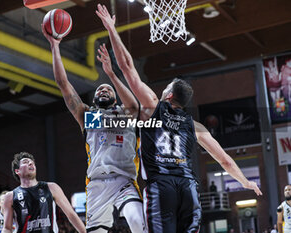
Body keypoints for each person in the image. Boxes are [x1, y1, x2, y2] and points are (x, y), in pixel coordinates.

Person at [96, 4, 263, 233]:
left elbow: (127, 67)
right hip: (188, 188)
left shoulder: (152, 107)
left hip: (161, 187)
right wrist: (245, 182)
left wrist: (111, 29)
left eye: (166, 87)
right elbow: (224, 160)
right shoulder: (195, 125)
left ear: (170, 94)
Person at [41, 23, 145, 233]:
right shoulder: (90, 116)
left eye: (108, 89)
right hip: (97, 182)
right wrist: (55, 46)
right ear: (95, 99)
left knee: (137, 220)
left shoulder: (125, 115)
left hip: (124, 180)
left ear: (115, 98)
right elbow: (63, 83)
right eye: (100, 89)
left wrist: (112, 75)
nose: (104, 90)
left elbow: (134, 105)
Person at [2, 152, 86, 233]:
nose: (31, 163)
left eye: (32, 162)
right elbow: (7, 228)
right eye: (26, 162)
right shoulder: (10, 196)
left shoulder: (52, 187)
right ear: (17, 171)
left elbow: (71, 214)